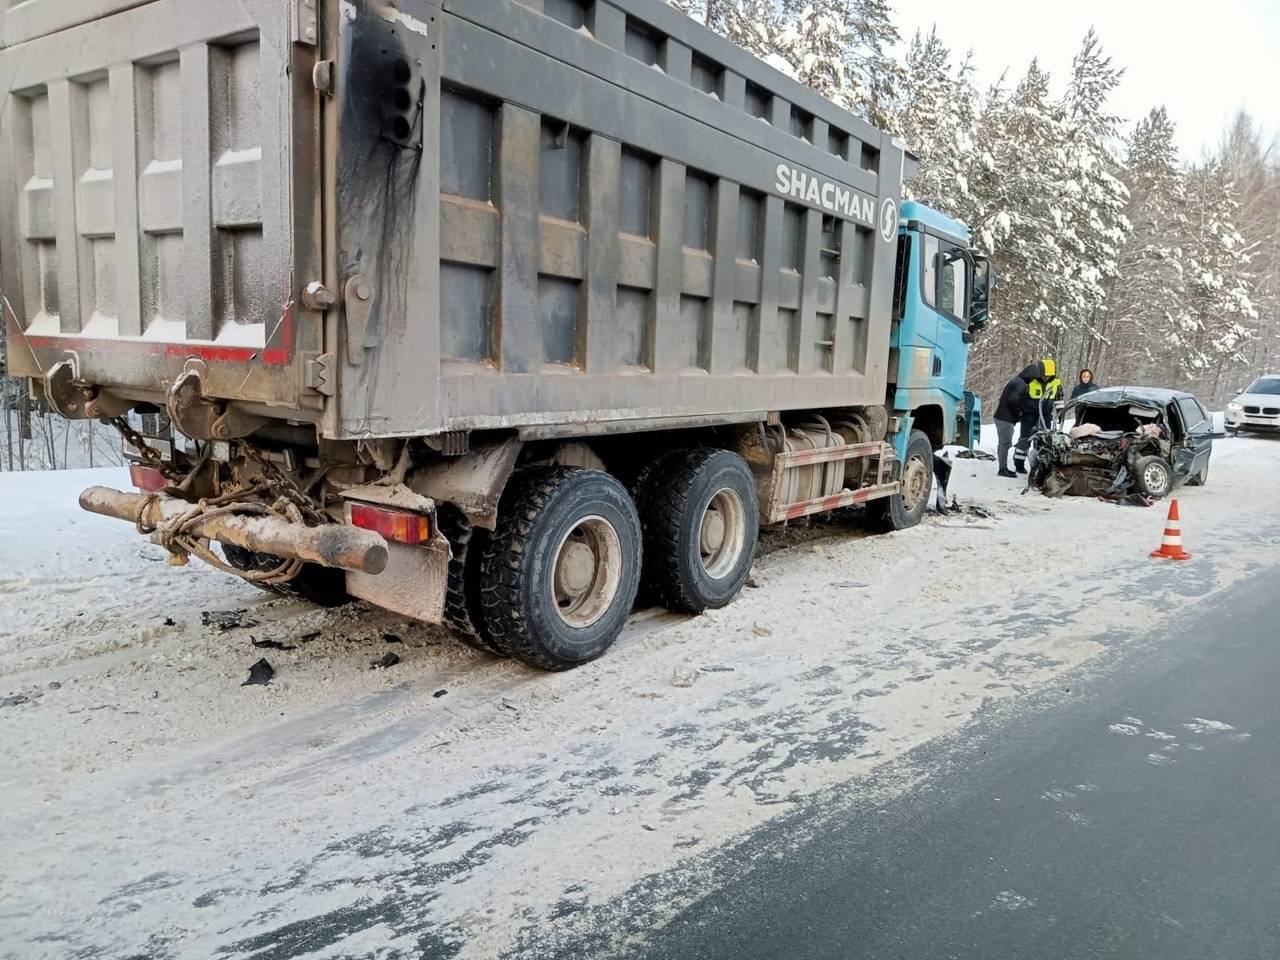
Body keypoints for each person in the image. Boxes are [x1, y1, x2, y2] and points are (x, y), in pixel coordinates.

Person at [1014, 358, 1062, 474]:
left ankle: (1041, 465)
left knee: (1044, 440)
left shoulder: (1056, 383)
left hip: (1045, 416)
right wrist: (1020, 410)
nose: (1046, 377)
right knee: (1025, 439)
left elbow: (1059, 399)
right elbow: (1020, 397)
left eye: (1049, 375)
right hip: (1029, 415)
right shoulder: (1031, 381)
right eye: (1044, 375)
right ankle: (1019, 464)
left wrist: (1060, 413)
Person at [994, 362, 1040, 478]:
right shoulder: (1021, 384)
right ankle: (1002, 469)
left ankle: (1002, 467)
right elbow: (1013, 401)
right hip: (1005, 418)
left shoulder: (1016, 380)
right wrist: (1019, 412)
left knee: (1003, 443)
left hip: (1001, 416)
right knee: (1005, 443)